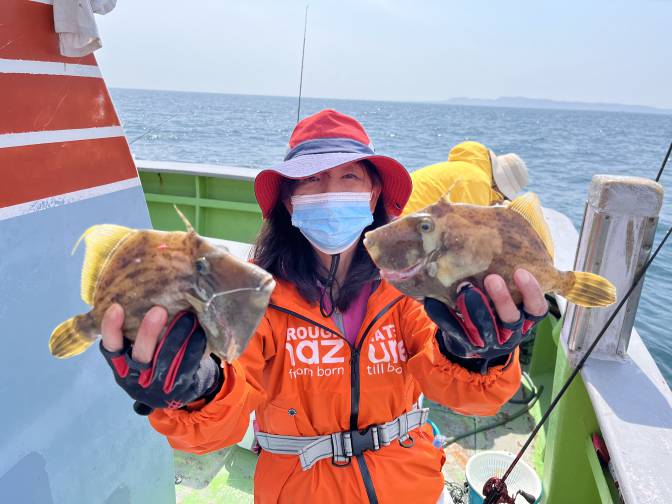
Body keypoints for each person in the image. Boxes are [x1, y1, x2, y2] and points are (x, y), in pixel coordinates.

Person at [99, 110, 548, 503]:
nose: (330, 190)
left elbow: (468, 396)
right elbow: (220, 422)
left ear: (373, 194)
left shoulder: (406, 286)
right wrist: (198, 389)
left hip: (410, 485)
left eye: (349, 177)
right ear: (289, 199)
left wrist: (474, 355)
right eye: (311, 178)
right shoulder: (254, 294)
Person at [402, 141, 528, 216]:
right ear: (498, 186)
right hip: (402, 228)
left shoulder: (464, 169)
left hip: (395, 218)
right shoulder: (477, 181)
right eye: (503, 197)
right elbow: (469, 231)